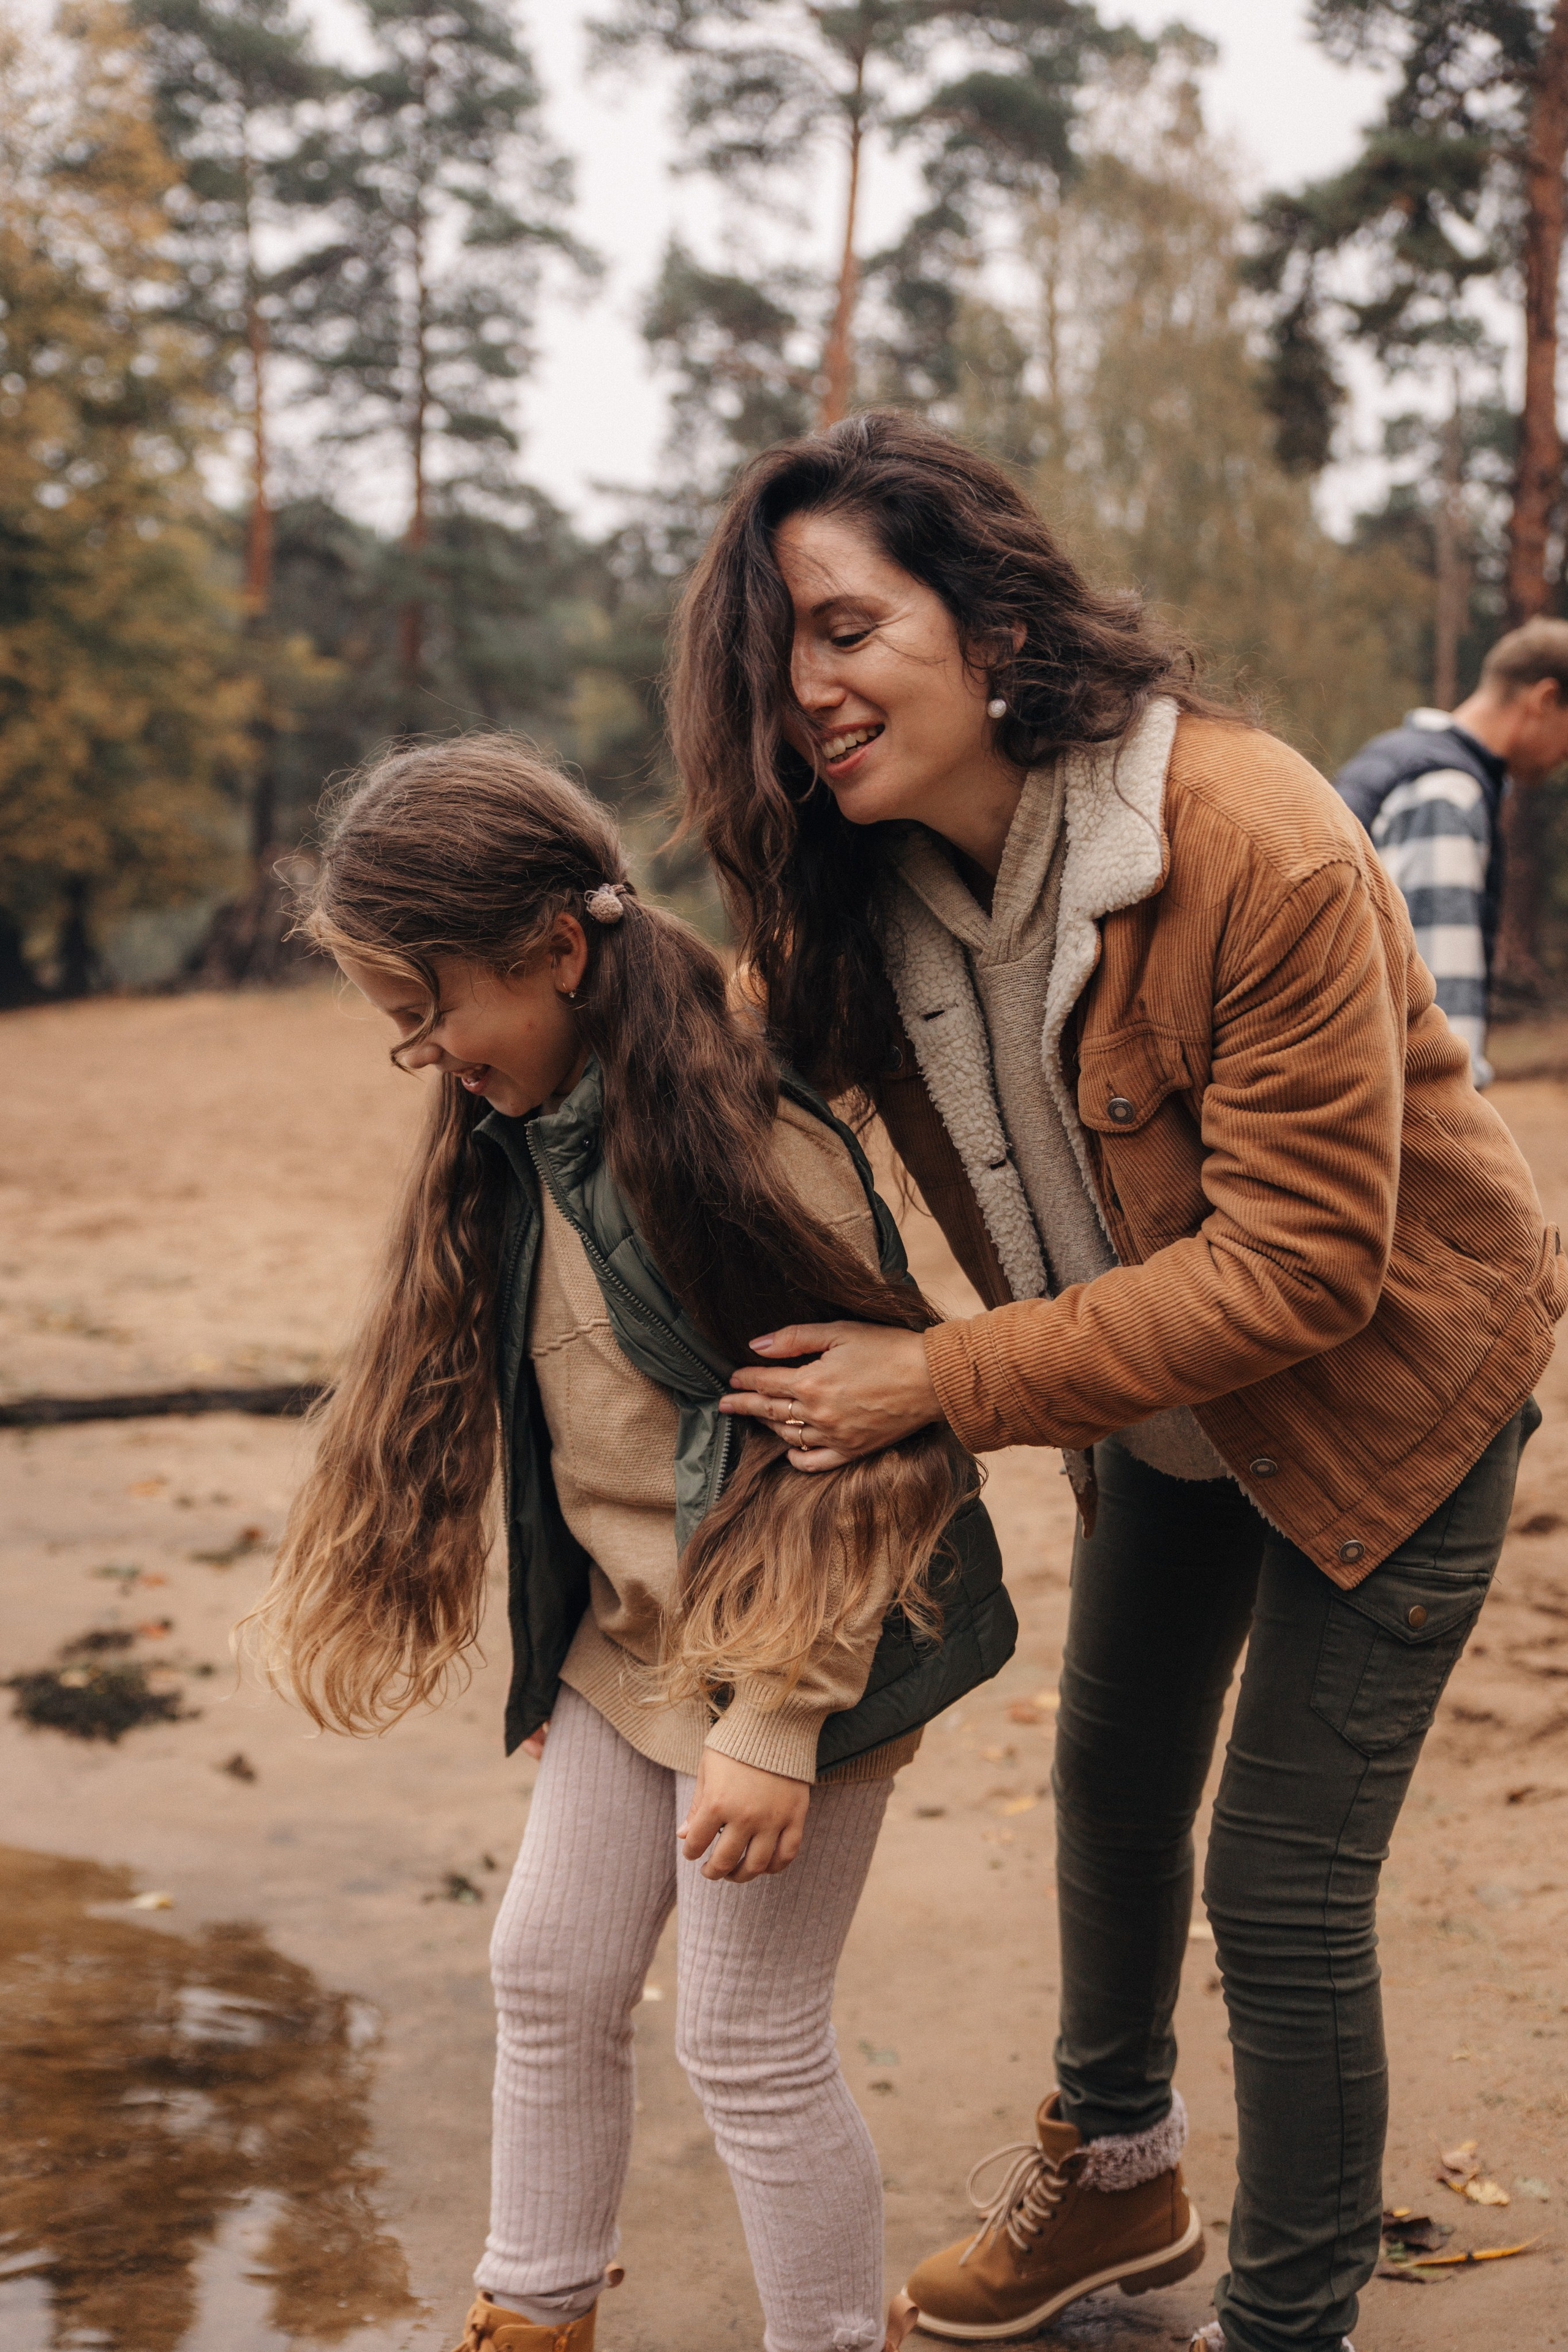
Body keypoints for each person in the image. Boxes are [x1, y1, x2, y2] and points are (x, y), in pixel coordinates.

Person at [670, 410, 1564, 2352]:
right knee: (1108, 1779)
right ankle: (1114, 2185)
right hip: (1156, 1405)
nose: (805, 690)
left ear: (985, 613)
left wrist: (941, 1375)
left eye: (843, 625)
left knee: (1278, 1884)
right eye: (775, 658)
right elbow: (711, 1091)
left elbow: (1307, 1266)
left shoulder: (1250, 836)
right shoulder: (860, 884)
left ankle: (1284, 2317)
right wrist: (535, 982)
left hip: (1391, 1399)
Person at [245, 737, 1015, 2352]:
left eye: (433, 1013)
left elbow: (868, 1459)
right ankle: (532, 2313)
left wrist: (778, 1726)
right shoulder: (529, 1122)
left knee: (745, 2041)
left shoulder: (736, 1135)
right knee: (544, 1970)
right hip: (635, 1641)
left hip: (808, 1641)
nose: (432, 1056)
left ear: (556, 950)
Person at [1333, 617, 1568, 1086]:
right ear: (1544, 700)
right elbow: (1442, 1008)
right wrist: (1463, 1105)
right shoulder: (1446, 792)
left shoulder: (1399, 756)